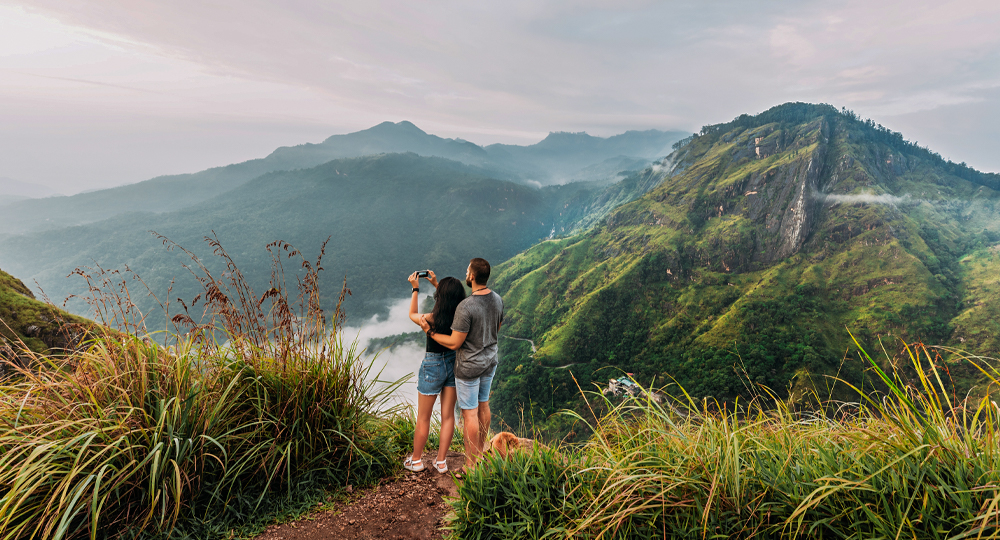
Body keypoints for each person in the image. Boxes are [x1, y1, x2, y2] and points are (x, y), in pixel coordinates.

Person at [420, 258, 503, 467]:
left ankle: (471, 465)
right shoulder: (497, 299)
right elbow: (497, 327)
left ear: (472, 276)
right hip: (490, 361)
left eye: (467, 270)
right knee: (484, 405)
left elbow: (454, 342)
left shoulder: (466, 307)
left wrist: (430, 332)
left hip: (469, 367)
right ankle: (481, 453)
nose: (466, 273)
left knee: (469, 412)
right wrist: (438, 285)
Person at [403, 270, 465, 473]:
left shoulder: (431, 319)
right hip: (453, 364)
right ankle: (441, 461)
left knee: (424, 417)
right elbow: (451, 300)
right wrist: (437, 284)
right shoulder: (462, 317)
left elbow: (412, 314)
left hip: (432, 366)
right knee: (448, 416)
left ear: (441, 298)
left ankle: (417, 460)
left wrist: (416, 288)